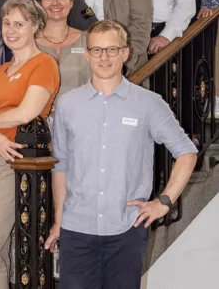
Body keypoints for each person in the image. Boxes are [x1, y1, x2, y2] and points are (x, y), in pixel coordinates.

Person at [46, 20, 197, 289]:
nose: (104, 57)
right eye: (97, 50)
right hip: (76, 230)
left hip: (126, 231)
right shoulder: (67, 105)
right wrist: (59, 221)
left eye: (112, 49)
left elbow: (186, 153)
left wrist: (164, 201)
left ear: (125, 53)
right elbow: (62, 167)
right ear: (88, 54)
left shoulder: (149, 104)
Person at [0, 0, 60, 289]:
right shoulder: (2, 70)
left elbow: (26, 112)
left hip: (13, 165)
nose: (11, 29)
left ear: (35, 26)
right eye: (7, 23)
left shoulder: (44, 63)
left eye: (19, 23)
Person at [36, 0, 91, 99]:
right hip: (39, 116)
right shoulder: (29, 43)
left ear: (71, 2)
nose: (55, 3)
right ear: (40, 4)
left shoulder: (88, 40)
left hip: (82, 115)